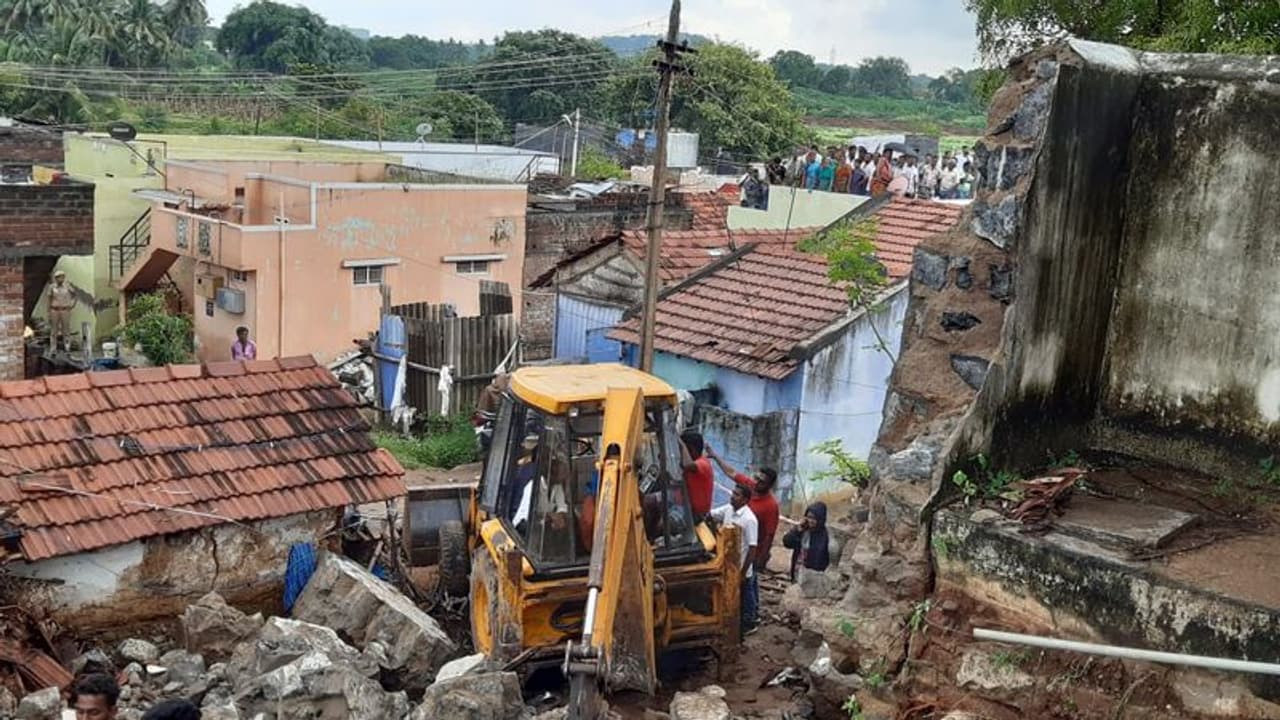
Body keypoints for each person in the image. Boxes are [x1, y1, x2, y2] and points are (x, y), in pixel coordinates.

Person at [705, 446, 779, 573]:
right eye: (757, 479)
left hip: (751, 549)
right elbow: (731, 472)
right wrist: (715, 456)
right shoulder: (749, 486)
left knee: (748, 580)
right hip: (733, 544)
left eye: (762, 482)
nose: (757, 483)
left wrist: (762, 558)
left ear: (769, 485)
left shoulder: (771, 506)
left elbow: (769, 535)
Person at [709, 483, 759, 635]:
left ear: (745, 500)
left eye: (737, 494)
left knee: (745, 595)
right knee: (732, 596)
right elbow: (710, 515)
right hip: (728, 564)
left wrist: (743, 572)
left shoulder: (749, 519)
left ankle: (749, 623)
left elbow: (752, 548)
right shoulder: (728, 509)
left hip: (742, 566)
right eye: (733, 493)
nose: (732, 496)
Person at [782, 502, 831, 581]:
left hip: (813, 576)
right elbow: (787, 542)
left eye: (814, 518)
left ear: (820, 519)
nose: (810, 521)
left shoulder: (825, 536)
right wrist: (797, 531)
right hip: (798, 571)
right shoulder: (803, 530)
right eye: (808, 517)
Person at [680, 431, 714, 519]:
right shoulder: (693, 462)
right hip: (683, 506)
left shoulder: (703, 463)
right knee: (650, 501)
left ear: (692, 449)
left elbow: (686, 465)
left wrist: (681, 444)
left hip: (696, 515)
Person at [47, 269, 77, 352]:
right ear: (55, 278)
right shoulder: (52, 287)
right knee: (54, 330)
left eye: (62, 277)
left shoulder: (67, 286)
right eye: (58, 277)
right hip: (55, 310)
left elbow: (75, 295)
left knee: (66, 330)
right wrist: (48, 311)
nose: (60, 279)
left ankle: (67, 347)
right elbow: (49, 299)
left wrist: (72, 304)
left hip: (65, 310)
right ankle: (53, 348)